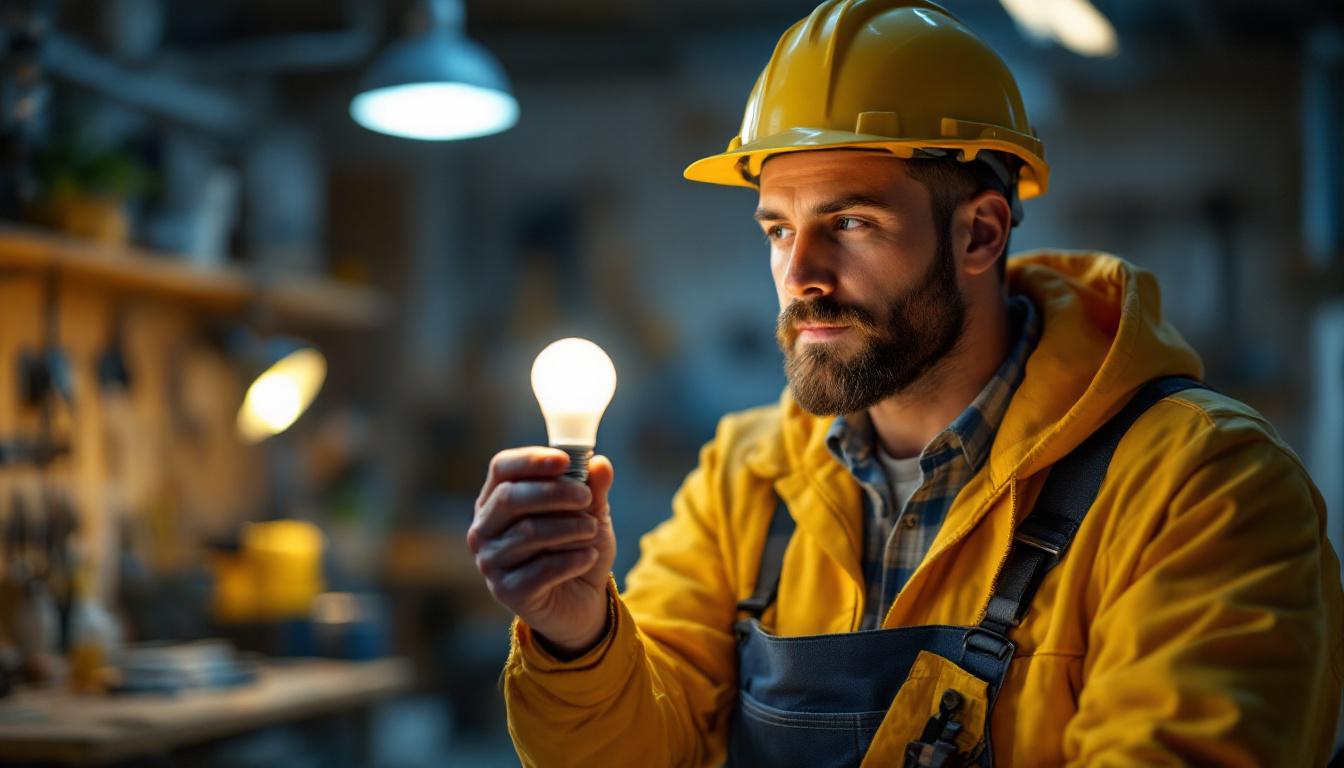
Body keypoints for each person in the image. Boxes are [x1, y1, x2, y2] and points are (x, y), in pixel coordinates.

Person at [467, 1, 1344, 765]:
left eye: (849, 222)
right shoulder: (749, 475)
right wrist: (574, 634)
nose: (800, 272)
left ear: (979, 235)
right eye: (778, 229)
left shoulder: (1203, 487)